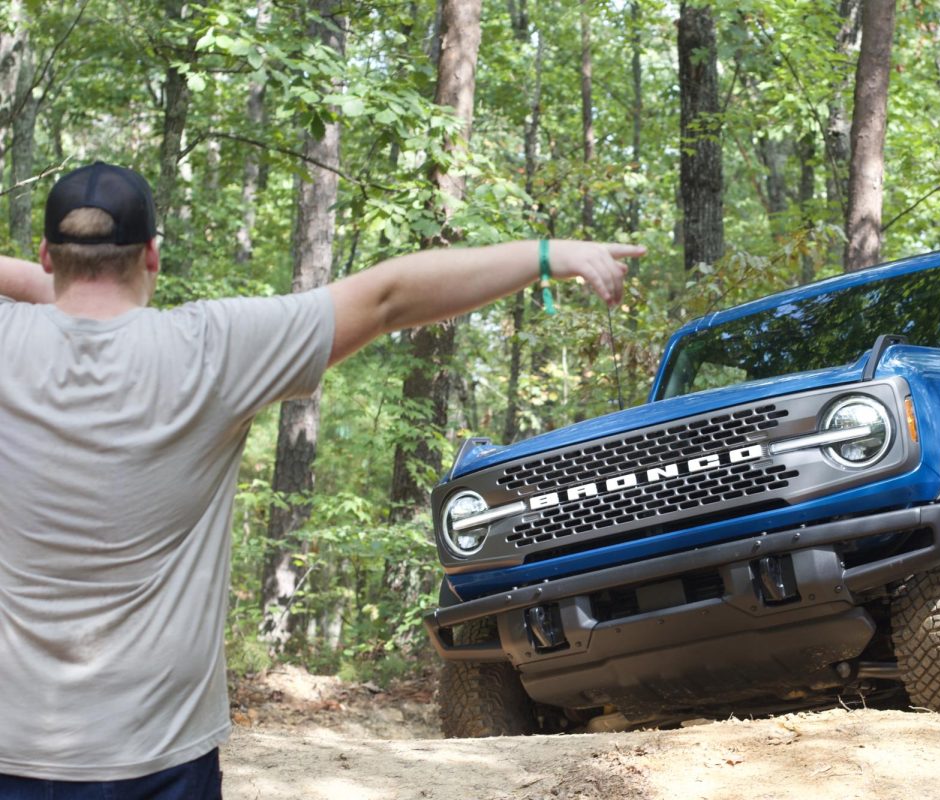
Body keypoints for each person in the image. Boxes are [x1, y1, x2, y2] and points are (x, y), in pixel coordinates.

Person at [0, 161, 643, 797]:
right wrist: (547, 253)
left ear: (47, 256)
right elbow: (388, 296)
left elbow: (54, 295)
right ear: (152, 257)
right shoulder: (209, 350)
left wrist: (55, 288)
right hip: (158, 760)